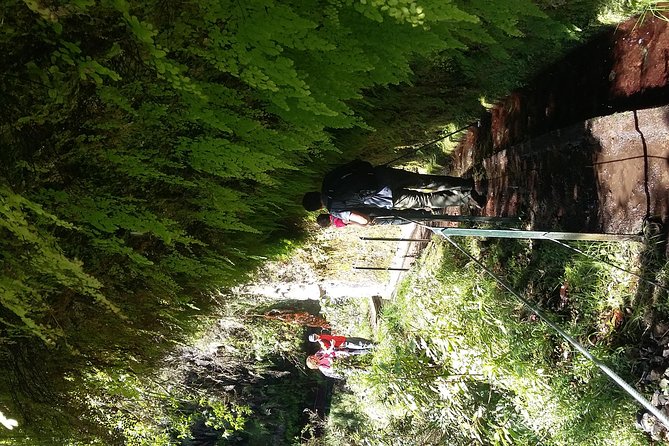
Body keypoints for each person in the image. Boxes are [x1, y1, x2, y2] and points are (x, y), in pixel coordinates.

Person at [303, 160, 486, 221]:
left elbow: (361, 218)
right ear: (314, 192)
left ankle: (465, 197)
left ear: (318, 208)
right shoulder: (328, 179)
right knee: (424, 181)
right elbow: (355, 165)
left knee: (424, 201)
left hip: (384, 197)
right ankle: (465, 184)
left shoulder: (334, 209)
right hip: (382, 174)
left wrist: (367, 221)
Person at [308, 333, 375, 352]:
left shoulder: (321, 335)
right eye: (315, 338)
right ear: (315, 341)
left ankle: (372, 342)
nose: (316, 337)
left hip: (343, 339)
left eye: (315, 336)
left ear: (315, 334)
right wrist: (332, 345)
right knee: (358, 344)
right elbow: (328, 351)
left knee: (358, 339)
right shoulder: (322, 342)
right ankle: (373, 345)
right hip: (343, 343)